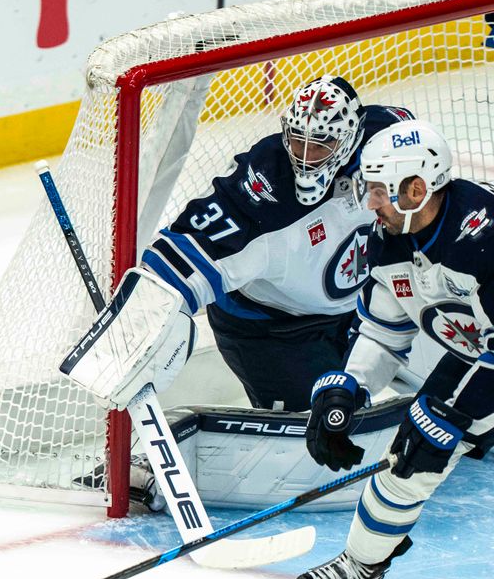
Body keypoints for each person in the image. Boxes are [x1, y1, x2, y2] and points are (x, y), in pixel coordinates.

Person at [66, 76, 414, 414]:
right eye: (297, 141)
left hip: (359, 307)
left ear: (350, 139)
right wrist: (129, 334)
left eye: (321, 145)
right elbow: (176, 263)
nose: (306, 156)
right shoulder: (259, 195)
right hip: (272, 331)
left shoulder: (384, 140)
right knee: (320, 429)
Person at [287, 119, 494, 579]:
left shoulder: (484, 238)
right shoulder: (390, 239)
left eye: (379, 190)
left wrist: (450, 412)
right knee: (409, 459)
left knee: (432, 426)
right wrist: (348, 388)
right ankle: (361, 564)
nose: (370, 202)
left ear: (417, 188)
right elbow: (385, 328)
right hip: (479, 361)